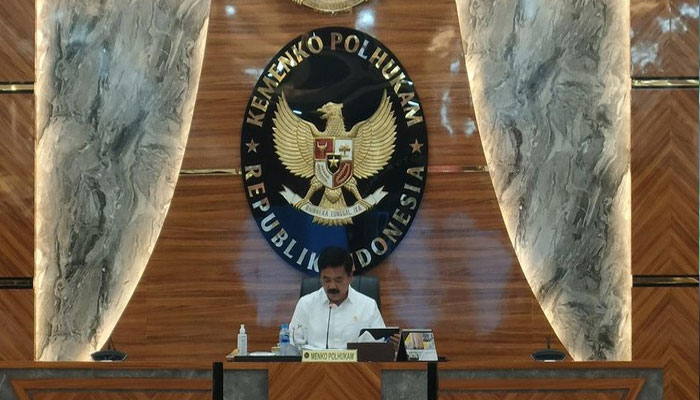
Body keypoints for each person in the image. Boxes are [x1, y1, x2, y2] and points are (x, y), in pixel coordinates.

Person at [289, 246, 385, 349]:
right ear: (320, 277)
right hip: (313, 360)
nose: (332, 286)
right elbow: (294, 344)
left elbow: (380, 346)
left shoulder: (368, 306)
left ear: (350, 277)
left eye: (338, 280)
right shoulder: (305, 304)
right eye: (327, 280)